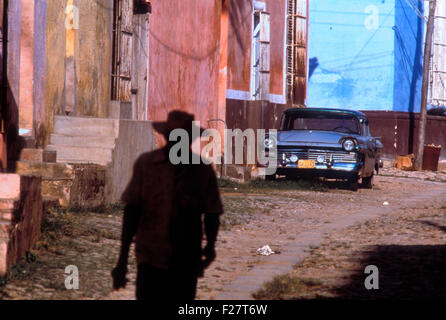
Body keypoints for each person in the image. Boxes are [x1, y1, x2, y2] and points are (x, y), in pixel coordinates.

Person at [111, 110, 223, 301]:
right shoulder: (146, 165)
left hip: (186, 258)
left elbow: (212, 213)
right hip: (150, 256)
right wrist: (122, 260)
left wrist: (210, 246)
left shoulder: (202, 169)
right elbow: (132, 212)